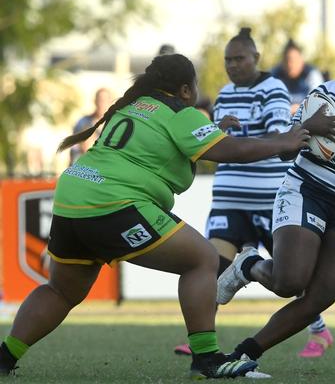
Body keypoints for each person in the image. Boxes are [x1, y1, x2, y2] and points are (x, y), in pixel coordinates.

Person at [0, 53, 310, 379]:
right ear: (187, 90)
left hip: (71, 199)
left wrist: (213, 130)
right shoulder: (182, 113)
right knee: (203, 259)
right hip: (115, 204)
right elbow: (233, 152)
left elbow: (161, 143)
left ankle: (5, 356)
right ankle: (207, 359)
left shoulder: (134, 106)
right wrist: (283, 141)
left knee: (61, 291)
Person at [215, 17, 335, 364]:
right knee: (290, 282)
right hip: (308, 191)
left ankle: (246, 355)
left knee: (320, 298)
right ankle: (248, 266)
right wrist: (307, 126)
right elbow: (287, 150)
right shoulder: (326, 95)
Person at [172, 28, 333, 360]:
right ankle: (202, 340)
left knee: (291, 281)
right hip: (228, 200)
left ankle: (319, 331)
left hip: (268, 200)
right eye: (228, 60)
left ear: (256, 58)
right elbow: (217, 143)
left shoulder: (272, 89)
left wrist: (237, 139)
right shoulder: (225, 93)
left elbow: (279, 141)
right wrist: (219, 132)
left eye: (239, 58)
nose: (233, 65)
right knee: (212, 268)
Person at [271, 39, 324, 115]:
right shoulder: (274, 74)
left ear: (301, 60)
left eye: (293, 60)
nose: (290, 65)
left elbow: (318, 104)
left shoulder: (312, 74)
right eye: (287, 60)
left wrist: (298, 108)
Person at [69, 88, 113, 164]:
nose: (101, 103)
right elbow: (73, 148)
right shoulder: (83, 122)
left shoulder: (115, 125)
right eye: (99, 100)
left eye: (104, 100)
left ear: (110, 102)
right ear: (95, 101)